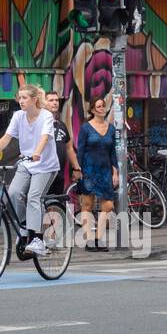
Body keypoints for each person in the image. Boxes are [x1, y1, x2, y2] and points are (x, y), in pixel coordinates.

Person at [0, 84, 60, 257]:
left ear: (34, 99)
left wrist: (37, 153)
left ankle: (38, 240)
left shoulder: (46, 116)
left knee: (34, 196)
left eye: (24, 98)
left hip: (45, 165)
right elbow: (6, 137)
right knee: (13, 193)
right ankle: (25, 228)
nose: (21, 101)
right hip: (26, 164)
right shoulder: (18, 116)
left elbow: (44, 137)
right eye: (19, 97)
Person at [76, 96, 118, 251]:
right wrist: (77, 169)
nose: (101, 108)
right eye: (98, 106)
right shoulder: (85, 128)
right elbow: (80, 150)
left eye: (103, 106)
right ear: (92, 110)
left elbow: (113, 152)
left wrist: (115, 171)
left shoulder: (111, 128)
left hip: (105, 170)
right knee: (87, 205)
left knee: (108, 206)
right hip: (88, 170)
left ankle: (99, 237)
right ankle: (89, 240)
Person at [44, 91, 80, 194]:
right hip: (43, 173)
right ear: (43, 103)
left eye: (56, 100)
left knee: (57, 205)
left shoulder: (61, 125)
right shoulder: (39, 124)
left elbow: (69, 148)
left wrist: (76, 168)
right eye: (51, 100)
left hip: (59, 173)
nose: (55, 102)